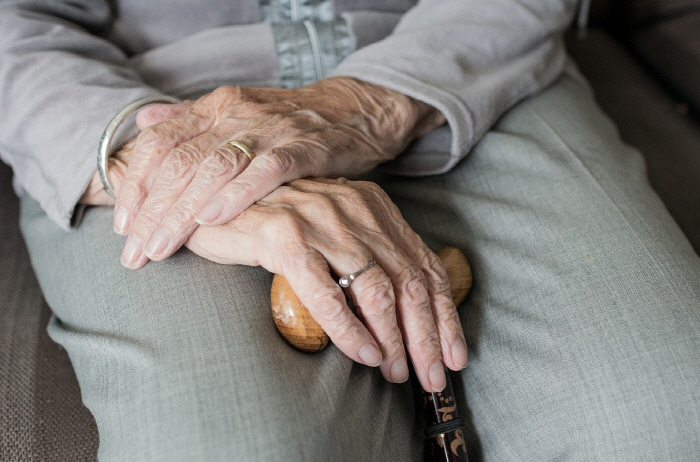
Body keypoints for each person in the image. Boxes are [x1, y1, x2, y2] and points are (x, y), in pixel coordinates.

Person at [1, 0, 699, 460]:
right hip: (137, 104)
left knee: (667, 417)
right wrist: (166, 166)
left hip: (468, 59)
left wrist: (368, 104)